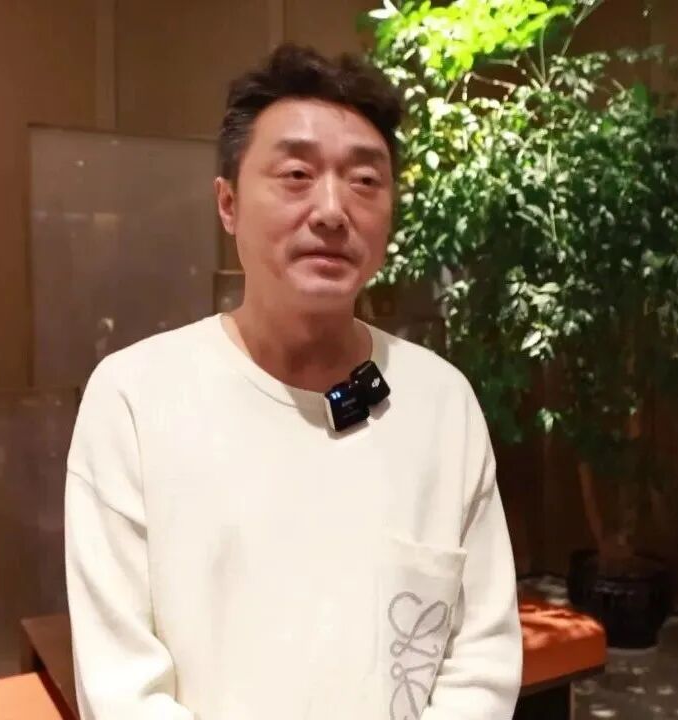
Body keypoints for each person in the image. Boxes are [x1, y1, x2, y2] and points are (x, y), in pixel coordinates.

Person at [65, 44, 522, 720]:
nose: (332, 210)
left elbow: (480, 659)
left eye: (364, 180)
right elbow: (122, 689)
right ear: (227, 203)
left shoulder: (440, 400)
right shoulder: (134, 397)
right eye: (297, 174)